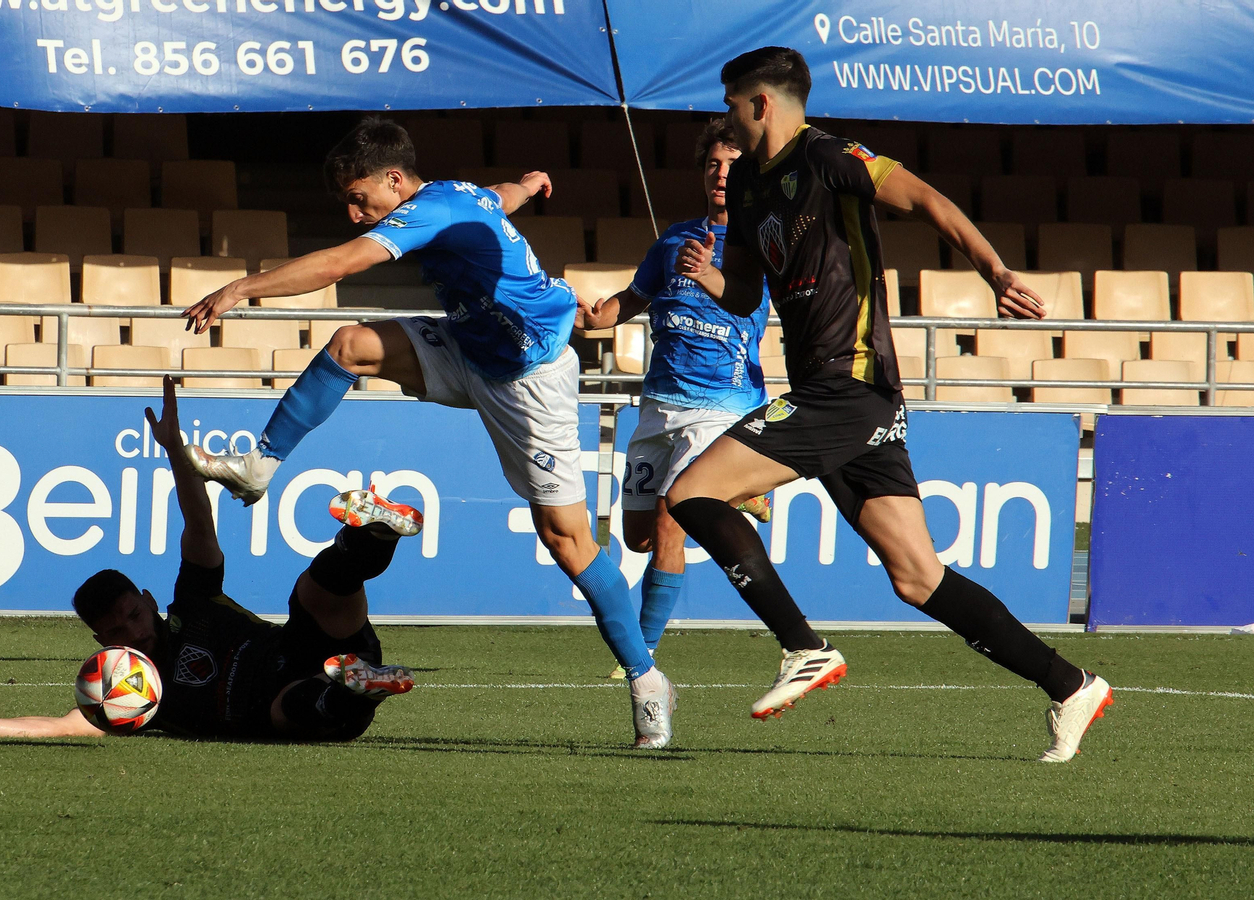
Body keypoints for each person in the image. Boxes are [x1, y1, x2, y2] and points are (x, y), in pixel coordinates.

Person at [662, 47, 1111, 762]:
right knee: (917, 577)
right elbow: (748, 293)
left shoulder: (831, 157)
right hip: (834, 395)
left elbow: (928, 199)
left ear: (759, 104)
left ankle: (802, 647)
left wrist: (994, 271)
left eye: (729, 105)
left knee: (690, 492)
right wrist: (710, 278)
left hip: (850, 386)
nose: (726, 120)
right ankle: (1069, 684)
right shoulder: (747, 184)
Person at [179, 118, 677, 748]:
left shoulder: (429, 209)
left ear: (395, 179)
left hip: (531, 374)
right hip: (470, 346)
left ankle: (646, 679)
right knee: (351, 345)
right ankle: (262, 465)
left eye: (361, 198)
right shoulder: (459, 194)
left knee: (567, 539)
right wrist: (527, 183)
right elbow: (498, 196)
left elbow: (339, 264)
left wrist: (241, 289)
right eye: (348, 204)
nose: (358, 214)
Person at [0, 378, 419, 742]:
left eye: (134, 615)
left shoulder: (192, 602)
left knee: (313, 590)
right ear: (101, 642)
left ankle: (374, 533)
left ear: (149, 600)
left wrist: (176, 451)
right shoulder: (134, 694)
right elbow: (70, 724)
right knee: (289, 709)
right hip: (300, 702)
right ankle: (357, 690)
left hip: (304, 644)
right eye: (117, 631)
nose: (133, 634)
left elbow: (198, 522)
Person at [576, 117, 773, 678]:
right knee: (637, 538)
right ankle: (738, 494)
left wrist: (712, 271)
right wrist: (598, 319)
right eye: (713, 164)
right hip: (659, 403)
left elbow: (748, 301)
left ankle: (640, 654)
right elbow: (633, 296)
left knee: (670, 522)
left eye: (733, 166)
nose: (720, 174)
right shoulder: (672, 241)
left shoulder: (760, 243)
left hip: (721, 405)